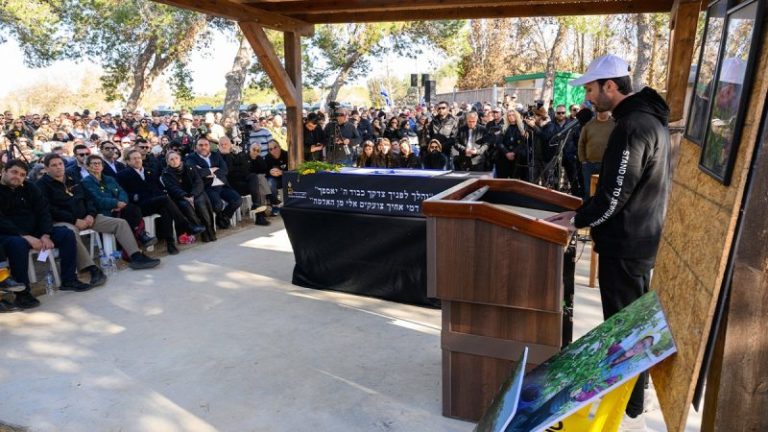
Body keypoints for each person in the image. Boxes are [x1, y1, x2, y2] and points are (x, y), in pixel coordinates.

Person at [547, 54, 671, 428]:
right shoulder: (643, 120)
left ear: (611, 86)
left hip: (626, 244)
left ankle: (629, 401)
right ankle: (631, 396)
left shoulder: (632, 126)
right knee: (628, 324)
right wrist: (581, 214)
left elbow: (615, 195)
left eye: (590, 88)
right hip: (634, 239)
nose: (587, 97)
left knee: (625, 327)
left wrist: (578, 220)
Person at [38, 153, 160, 274]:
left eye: (60, 164)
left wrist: (91, 214)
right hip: (65, 221)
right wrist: (74, 220)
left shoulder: (72, 179)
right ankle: (91, 269)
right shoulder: (42, 185)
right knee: (70, 233)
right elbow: (50, 209)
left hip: (87, 217)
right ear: (47, 168)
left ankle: (135, 256)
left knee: (120, 223)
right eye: (54, 165)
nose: (59, 167)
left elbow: (88, 199)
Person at [0, 160, 91, 311]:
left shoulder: (30, 187)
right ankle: (23, 294)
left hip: (36, 231)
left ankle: (69, 279)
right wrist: (25, 236)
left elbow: (43, 211)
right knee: (18, 244)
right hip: (9, 234)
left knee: (66, 234)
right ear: (4, 171)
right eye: (14, 172)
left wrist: (45, 234)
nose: (18, 177)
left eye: (22, 175)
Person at [116, 148, 205, 255]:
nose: (137, 160)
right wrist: (136, 197)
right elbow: (123, 193)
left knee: (165, 209)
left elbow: (159, 188)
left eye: (139, 158)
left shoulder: (149, 171)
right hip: (139, 205)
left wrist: (159, 195)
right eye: (134, 158)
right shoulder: (122, 175)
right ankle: (186, 225)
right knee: (165, 200)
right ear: (128, 161)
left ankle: (170, 244)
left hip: (155, 202)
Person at [81, 155, 157, 249]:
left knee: (133, 208)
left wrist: (122, 202)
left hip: (121, 208)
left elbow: (122, 192)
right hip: (105, 212)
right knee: (131, 211)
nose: (97, 165)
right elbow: (97, 199)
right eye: (94, 163)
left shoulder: (109, 179)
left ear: (102, 166)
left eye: (99, 163)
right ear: (88, 167)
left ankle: (139, 238)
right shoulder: (86, 182)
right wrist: (115, 203)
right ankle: (140, 237)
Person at [186, 138, 243, 229]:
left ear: (210, 146)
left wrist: (205, 172)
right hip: (208, 187)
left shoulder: (216, 155)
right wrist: (212, 169)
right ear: (196, 147)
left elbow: (224, 170)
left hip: (222, 185)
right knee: (217, 205)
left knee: (237, 200)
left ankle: (223, 216)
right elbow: (195, 172)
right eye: (200, 145)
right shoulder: (191, 158)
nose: (203, 147)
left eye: (206, 145)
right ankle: (220, 217)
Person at [162, 151, 217, 242]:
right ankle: (201, 229)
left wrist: (193, 195)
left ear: (180, 159)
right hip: (180, 197)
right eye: (171, 159)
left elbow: (198, 182)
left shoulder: (190, 167)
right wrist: (185, 196)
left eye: (176, 158)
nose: (174, 161)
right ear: (167, 162)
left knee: (200, 202)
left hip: (195, 193)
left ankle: (209, 231)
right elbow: (172, 188)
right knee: (185, 205)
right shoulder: (166, 174)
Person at [219, 137, 270, 226]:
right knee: (257, 186)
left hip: (240, 184)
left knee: (254, 178)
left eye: (226, 144)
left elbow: (243, 170)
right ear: (218, 146)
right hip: (228, 186)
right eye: (221, 144)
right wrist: (227, 155)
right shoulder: (217, 156)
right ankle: (259, 215)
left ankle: (257, 207)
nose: (224, 146)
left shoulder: (235, 155)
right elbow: (228, 171)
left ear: (230, 145)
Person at [578, 109, 614, 199]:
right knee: (588, 191)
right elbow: (581, 143)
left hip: (608, 165)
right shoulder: (589, 125)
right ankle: (588, 207)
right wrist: (583, 160)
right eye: (600, 110)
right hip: (589, 164)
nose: (602, 112)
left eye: (604, 110)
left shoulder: (615, 124)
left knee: (605, 191)